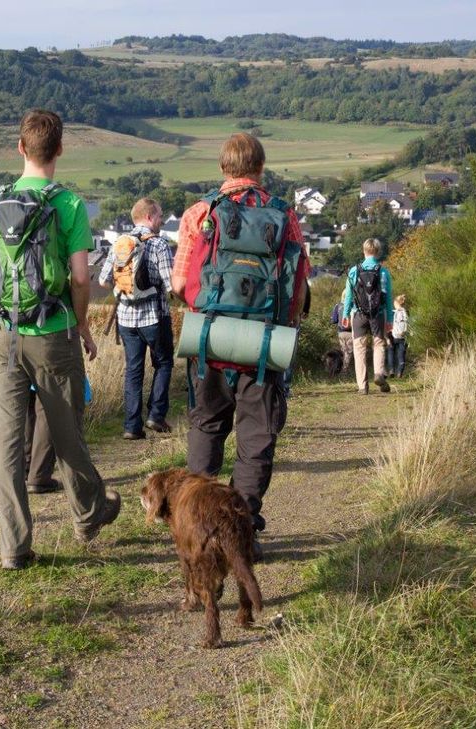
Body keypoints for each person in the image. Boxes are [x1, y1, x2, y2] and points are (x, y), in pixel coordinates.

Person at [0, 109, 121, 570]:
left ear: (20, 148)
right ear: (59, 151)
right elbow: (79, 277)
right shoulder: (68, 204)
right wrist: (83, 325)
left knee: (7, 444)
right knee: (67, 432)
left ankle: (14, 546)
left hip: (1, 333)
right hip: (54, 333)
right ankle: (89, 514)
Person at [170, 132, 307, 562]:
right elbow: (297, 289)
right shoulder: (285, 216)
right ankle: (243, 530)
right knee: (256, 439)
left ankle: (198, 526)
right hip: (265, 346)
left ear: (223, 167)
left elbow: (178, 283)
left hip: (209, 341)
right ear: (261, 169)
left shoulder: (200, 213)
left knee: (207, 427)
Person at [97, 197, 175, 439]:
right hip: (154, 316)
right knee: (163, 363)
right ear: (150, 217)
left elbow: (101, 280)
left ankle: (131, 427)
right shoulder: (159, 244)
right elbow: (171, 285)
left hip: (126, 320)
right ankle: (156, 415)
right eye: (160, 215)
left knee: (133, 370)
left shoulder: (119, 243)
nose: (162, 220)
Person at [340, 238, 394, 395]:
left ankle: (363, 386)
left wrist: (345, 314)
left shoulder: (354, 271)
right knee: (378, 344)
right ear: (377, 252)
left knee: (359, 349)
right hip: (378, 314)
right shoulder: (383, 272)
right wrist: (389, 319)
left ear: (364, 251)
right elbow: (388, 298)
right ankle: (378, 373)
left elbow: (349, 295)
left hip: (358, 314)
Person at [388, 294, 409, 377]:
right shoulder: (406, 312)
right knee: (401, 355)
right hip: (403, 336)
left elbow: (389, 324)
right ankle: (400, 372)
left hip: (393, 336)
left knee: (390, 352)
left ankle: (391, 370)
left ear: (396, 303)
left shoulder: (393, 313)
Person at [331, 300, 354, 375]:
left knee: (343, 351)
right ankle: (344, 371)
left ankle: (339, 369)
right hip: (351, 332)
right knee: (348, 352)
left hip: (341, 332)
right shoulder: (353, 305)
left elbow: (334, 320)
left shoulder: (338, 305)